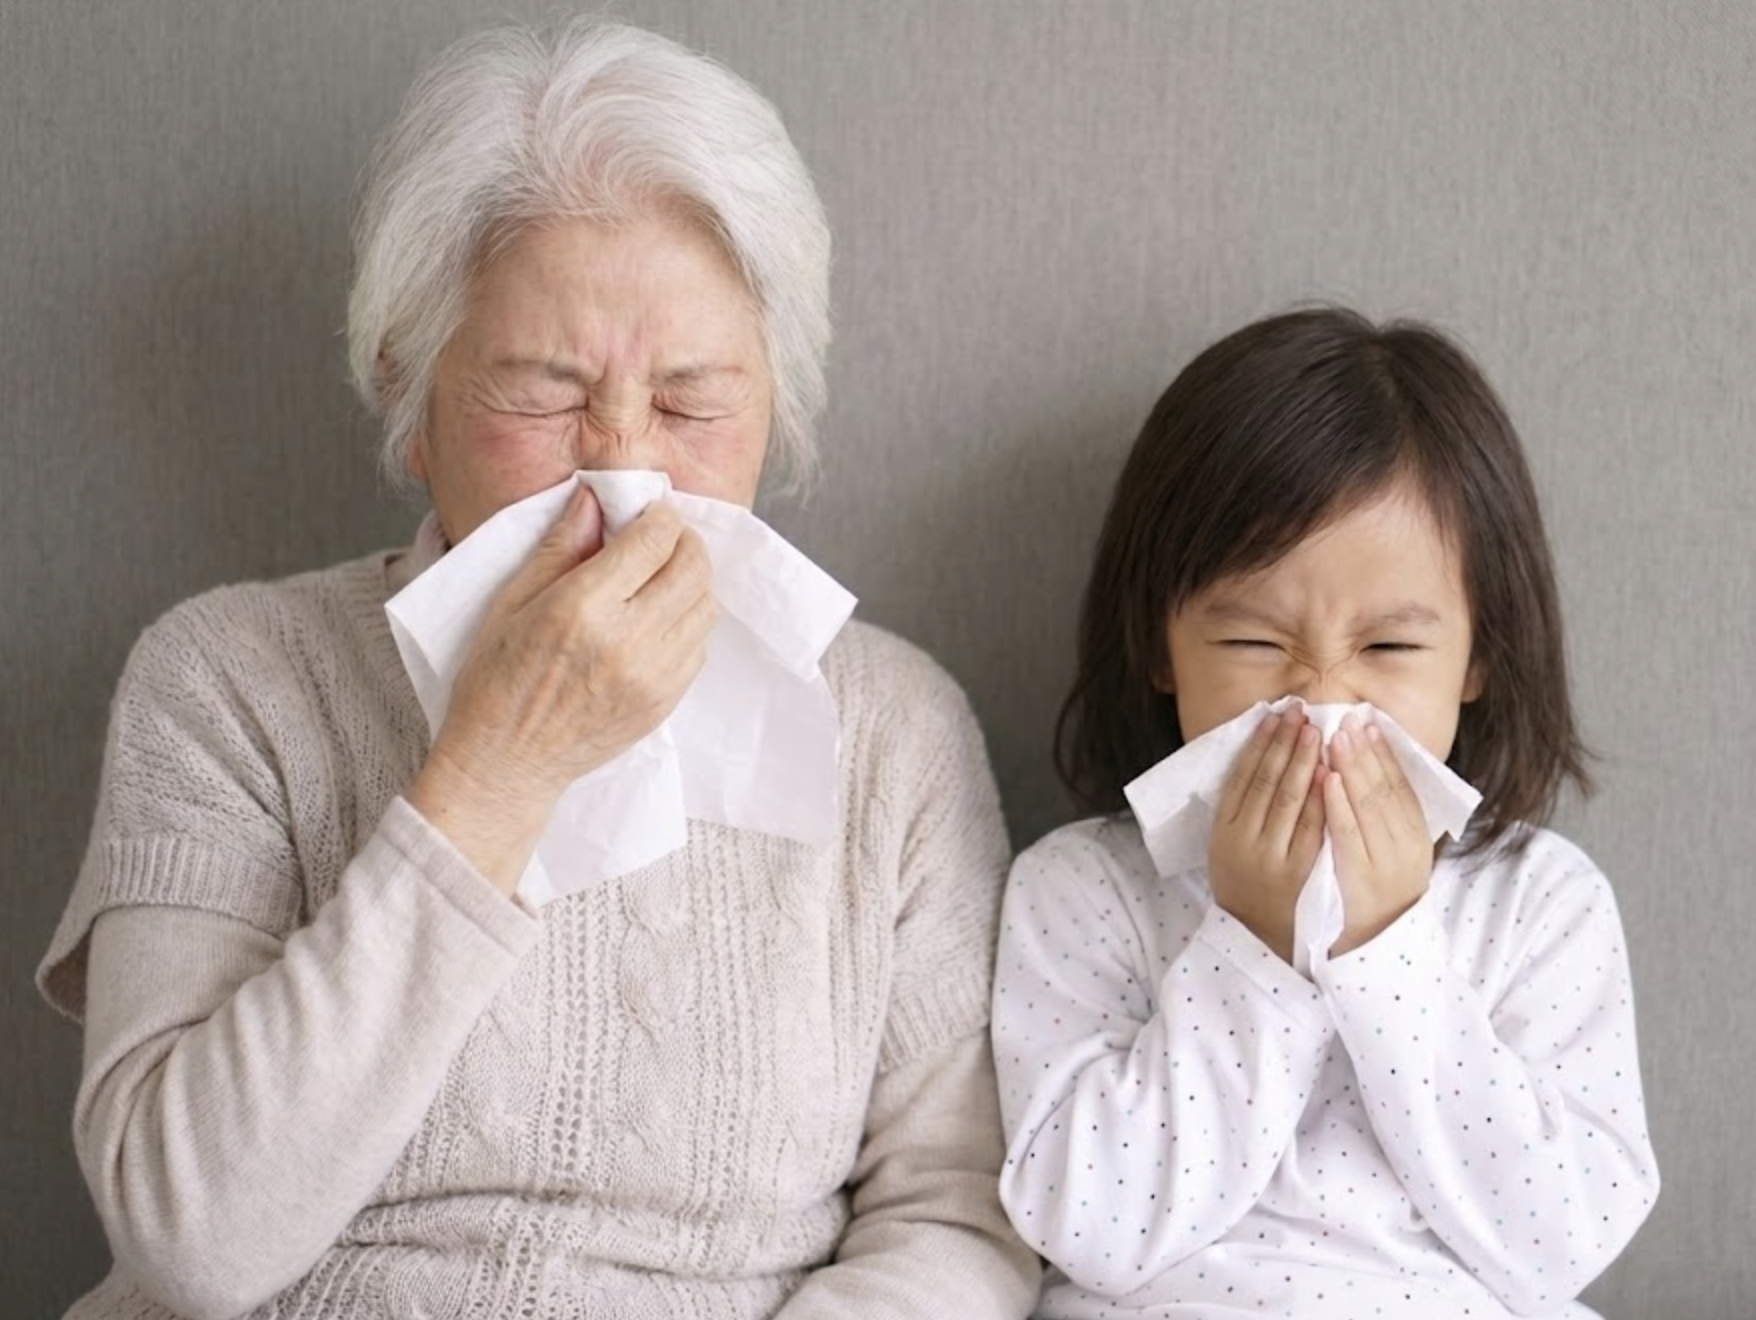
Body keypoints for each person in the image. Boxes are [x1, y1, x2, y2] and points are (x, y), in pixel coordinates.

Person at [38, 20, 1038, 1320]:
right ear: (411, 396)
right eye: (542, 394)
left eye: (690, 404)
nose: (623, 467)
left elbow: (956, 1223)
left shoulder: (896, 731)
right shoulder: (230, 681)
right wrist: (493, 773)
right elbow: (190, 1242)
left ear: (778, 404)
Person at [991, 308, 1658, 1319]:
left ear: (1476, 659)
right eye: (1257, 644)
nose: (1324, 703)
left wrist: (1386, 952)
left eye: (1388, 651)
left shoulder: (1539, 905)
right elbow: (1087, 1228)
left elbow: (1562, 1241)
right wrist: (1252, 948)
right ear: (1160, 649)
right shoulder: (1083, 890)